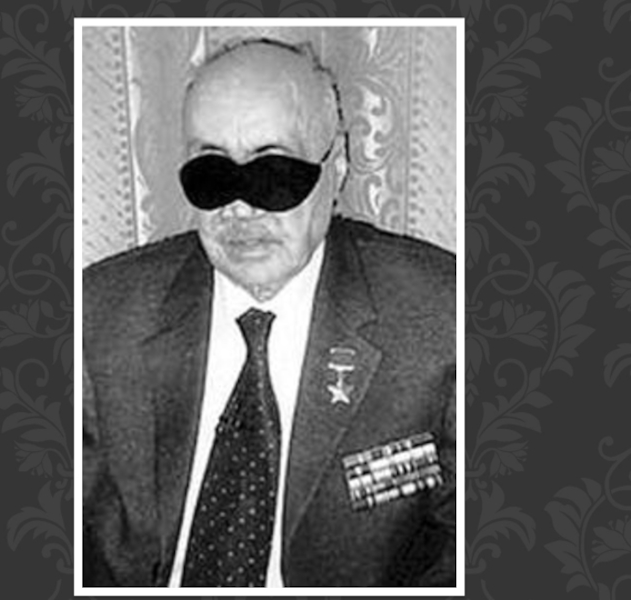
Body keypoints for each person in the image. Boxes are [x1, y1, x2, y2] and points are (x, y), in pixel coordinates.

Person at [82, 36, 456, 588]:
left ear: (337, 167)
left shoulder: (439, 316)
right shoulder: (102, 312)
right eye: (212, 175)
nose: (240, 207)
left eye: (275, 175)